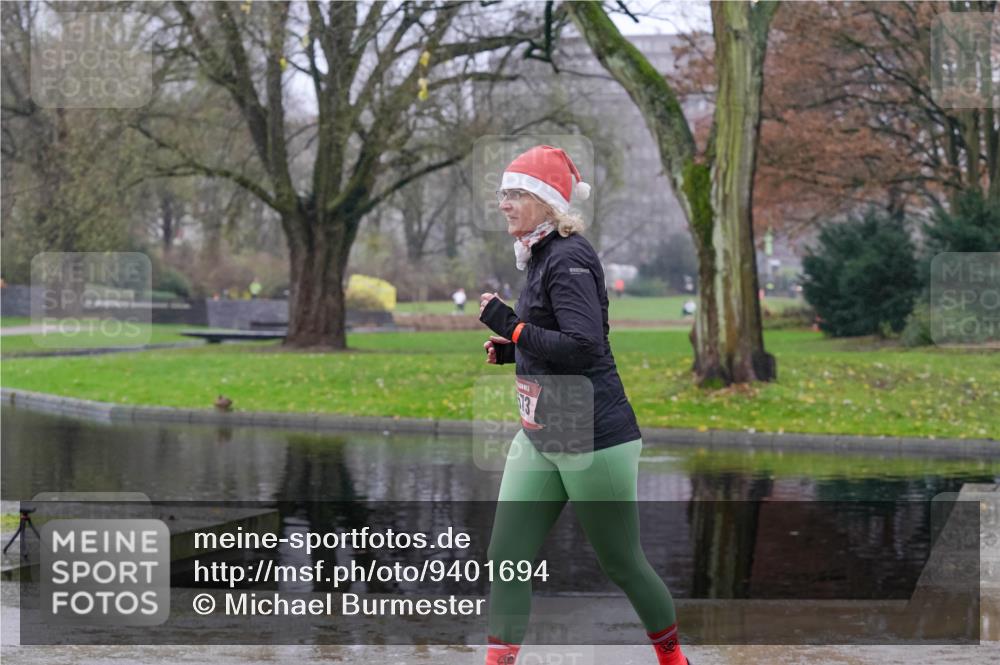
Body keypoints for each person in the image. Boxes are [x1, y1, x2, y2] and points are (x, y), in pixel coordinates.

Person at [479, 145, 691, 665]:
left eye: (516, 194)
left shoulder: (568, 256)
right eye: (503, 193)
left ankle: (673, 660)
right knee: (507, 557)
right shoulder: (538, 252)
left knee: (622, 563)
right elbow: (555, 336)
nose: (504, 203)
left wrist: (510, 325)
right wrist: (514, 349)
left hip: (592, 431)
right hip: (541, 429)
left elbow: (584, 346)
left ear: (547, 202)